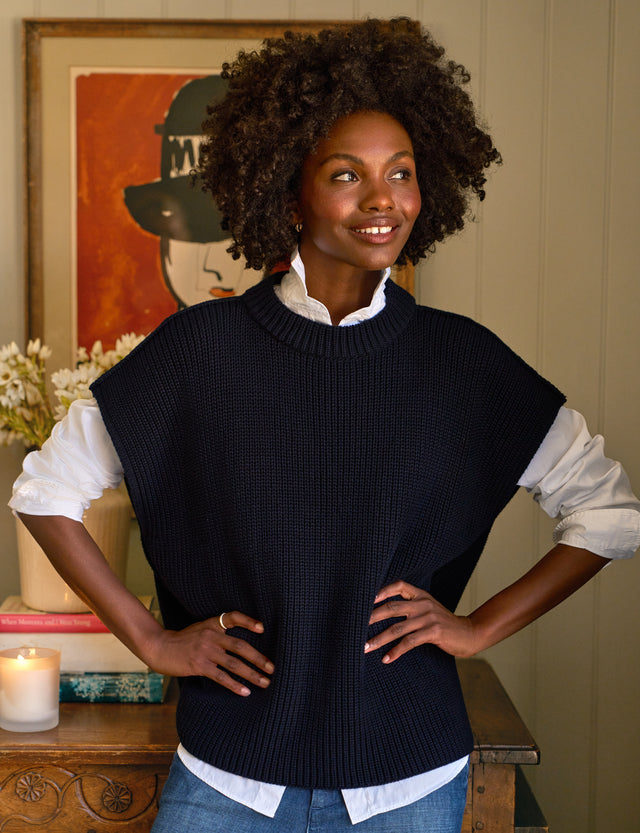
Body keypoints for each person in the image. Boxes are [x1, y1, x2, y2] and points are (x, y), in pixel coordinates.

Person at [10, 18, 640, 833]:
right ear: (287, 192)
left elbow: (608, 512)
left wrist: (479, 627)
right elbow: (45, 490)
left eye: (402, 172)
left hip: (411, 783)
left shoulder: (463, 364)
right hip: (227, 778)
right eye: (347, 174)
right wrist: (154, 643)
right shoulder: (199, 352)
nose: (383, 199)